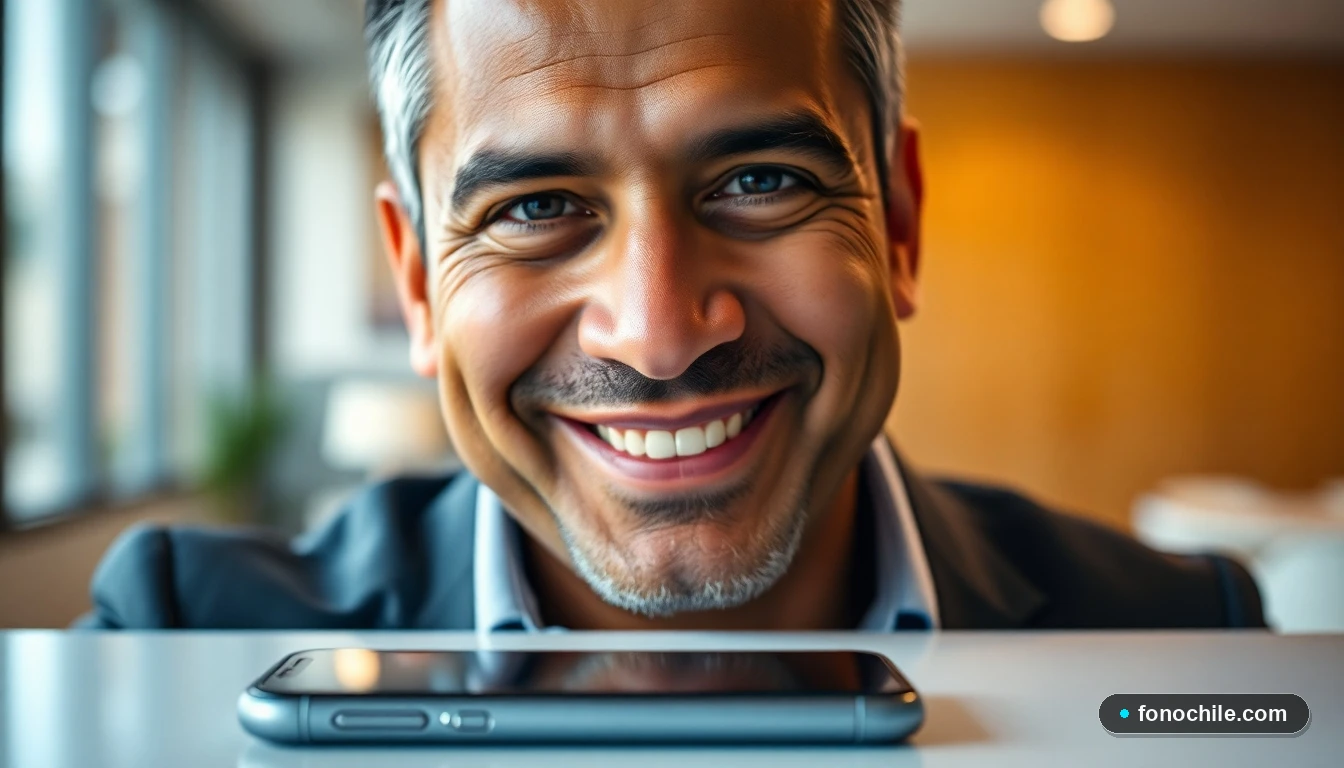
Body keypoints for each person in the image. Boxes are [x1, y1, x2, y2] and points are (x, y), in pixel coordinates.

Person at [80, 0, 1264, 631]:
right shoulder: (180, 639)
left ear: (898, 223)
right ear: (419, 283)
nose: (656, 331)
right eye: (538, 206)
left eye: (760, 182)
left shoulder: (1178, 637)